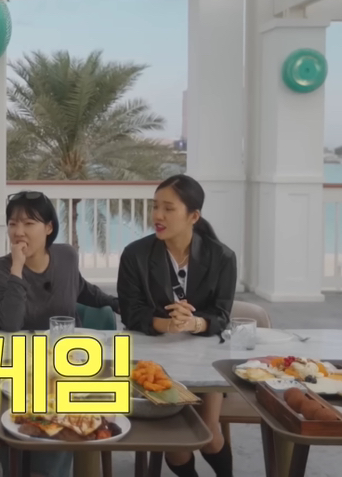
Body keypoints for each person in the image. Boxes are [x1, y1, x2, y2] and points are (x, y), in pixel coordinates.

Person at [0, 190, 120, 477]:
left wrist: (120, 304)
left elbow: (81, 289)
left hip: (67, 365)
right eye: (12, 223)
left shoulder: (66, 256)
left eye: (28, 223)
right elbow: (10, 324)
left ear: (48, 228)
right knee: (21, 411)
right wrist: (17, 269)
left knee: (72, 408)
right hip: (16, 368)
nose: (18, 232)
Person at [116, 174, 236, 477]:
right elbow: (131, 312)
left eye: (168, 208)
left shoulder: (222, 257)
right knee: (177, 444)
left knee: (209, 435)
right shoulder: (135, 255)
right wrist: (167, 324)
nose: (158, 215)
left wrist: (194, 323)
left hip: (205, 355)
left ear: (193, 216)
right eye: (155, 206)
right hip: (154, 357)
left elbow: (221, 315)